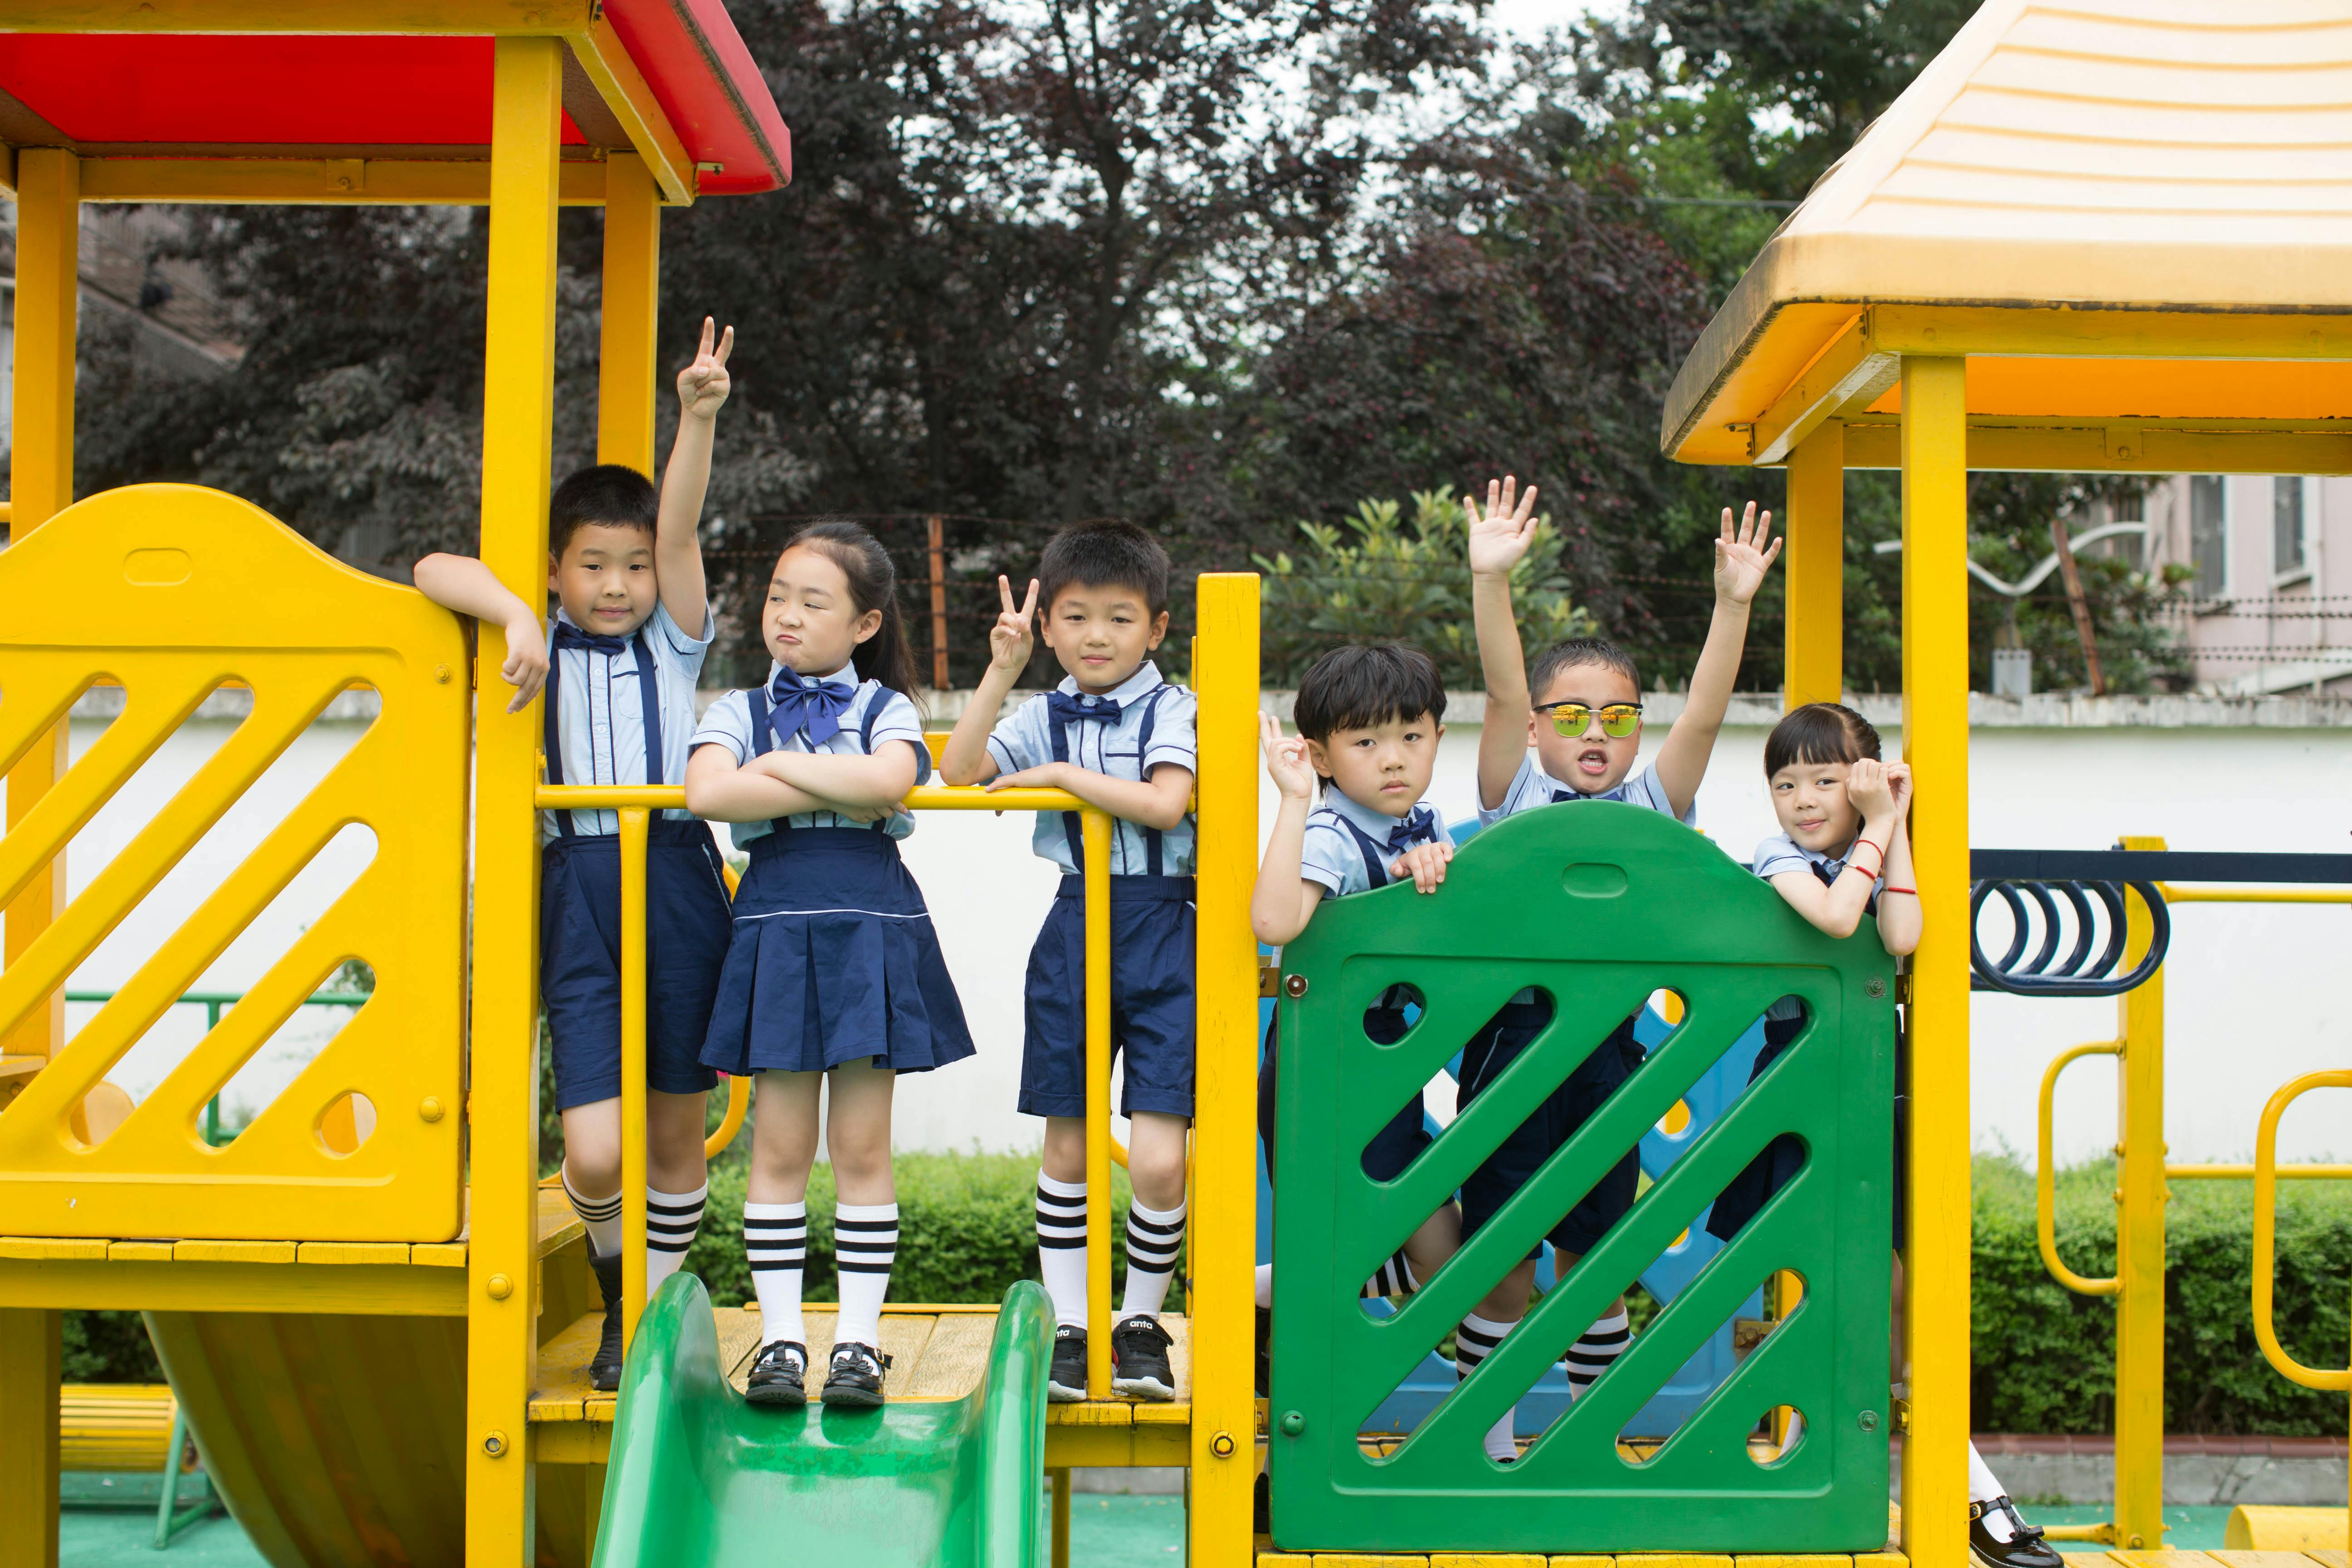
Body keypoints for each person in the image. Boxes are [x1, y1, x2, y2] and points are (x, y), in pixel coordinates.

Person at [412, 318, 738, 1393]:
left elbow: (684, 530)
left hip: (678, 878)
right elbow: (430, 566)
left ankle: (648, 1319)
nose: (615, 583)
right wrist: (512, 615)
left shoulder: (670, 639)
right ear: (557, 571)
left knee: (676, 1133)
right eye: (592, 565)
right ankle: (615, 1294)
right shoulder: (534, 642)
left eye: (632, 565)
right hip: (577, 888)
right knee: (596, 1150)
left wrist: (693, 419)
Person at [1451, 474, 1780, 1461]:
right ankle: (1489, 1443)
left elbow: (1708, 724)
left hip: (1608, 1056)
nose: (1597, 734)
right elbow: (1507, 687)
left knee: (1592, 1254)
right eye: (1574, 716)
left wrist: (1733, 604)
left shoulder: (1648, 804)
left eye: (1620, 717)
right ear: (1540, 729)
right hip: (1512, 1048)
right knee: (1505, 1258)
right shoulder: (1512, 793)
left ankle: (1594, 1442)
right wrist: (1492, 582)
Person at [1708, 702, 2057, 1568]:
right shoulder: (1777, 856)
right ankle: (1895, 1474)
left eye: (1826, 780)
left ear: (1862, 780)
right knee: (1837, 1283)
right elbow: (1837, 918)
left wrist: (1891, 828)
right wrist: (1880, 823)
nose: (1801, 798)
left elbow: (1900, 935)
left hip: (1879, 1083)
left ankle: (1955, 1477)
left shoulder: (1876, 839)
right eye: (1785, 782)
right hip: (1800, 1085)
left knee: (1902, 1287)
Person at [686, 520, 975, 1410]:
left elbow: (894, 782)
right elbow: (707, 792)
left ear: (862, 625)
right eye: (778, 595)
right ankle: (779, 1342)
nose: (787, 615)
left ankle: (855, 1342)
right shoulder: (736, 706)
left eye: (814, 602)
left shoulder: (884, 706)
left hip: (869, 924)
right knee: (777, 1145)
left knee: (858, 1147)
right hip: (774, 920)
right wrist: (821, 776)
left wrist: (773, 769)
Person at [938, 521, 1197, 1403]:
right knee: (1069, 1144)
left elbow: (1166, 806)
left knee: (1162, 1160)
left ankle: (1141, 1324)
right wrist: (1002, 670)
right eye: (1076, 617)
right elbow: (959, 771)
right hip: (1075, 927)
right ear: (1048, 627)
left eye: (1119, 619)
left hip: (1169, 931)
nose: (1096, 636)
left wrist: (1062, 777)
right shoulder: (1041, 706)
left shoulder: (1177, 709)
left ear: (1157, 629)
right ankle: (1074, 1327)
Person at [1249, 642, 1461, 1303]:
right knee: (1334, 1231)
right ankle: (1282, 1299)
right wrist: (1293, 803)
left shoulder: (1425, 824)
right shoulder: (1334, 834)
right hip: (1325, 1060)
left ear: (1437, 739)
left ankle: (1270, 1295)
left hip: (1388, 1057)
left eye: (1410, 736)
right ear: (1321, 757)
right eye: (1366, 742)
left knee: (1443, 1251)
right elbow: (1275, 924)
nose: (1393, 757)